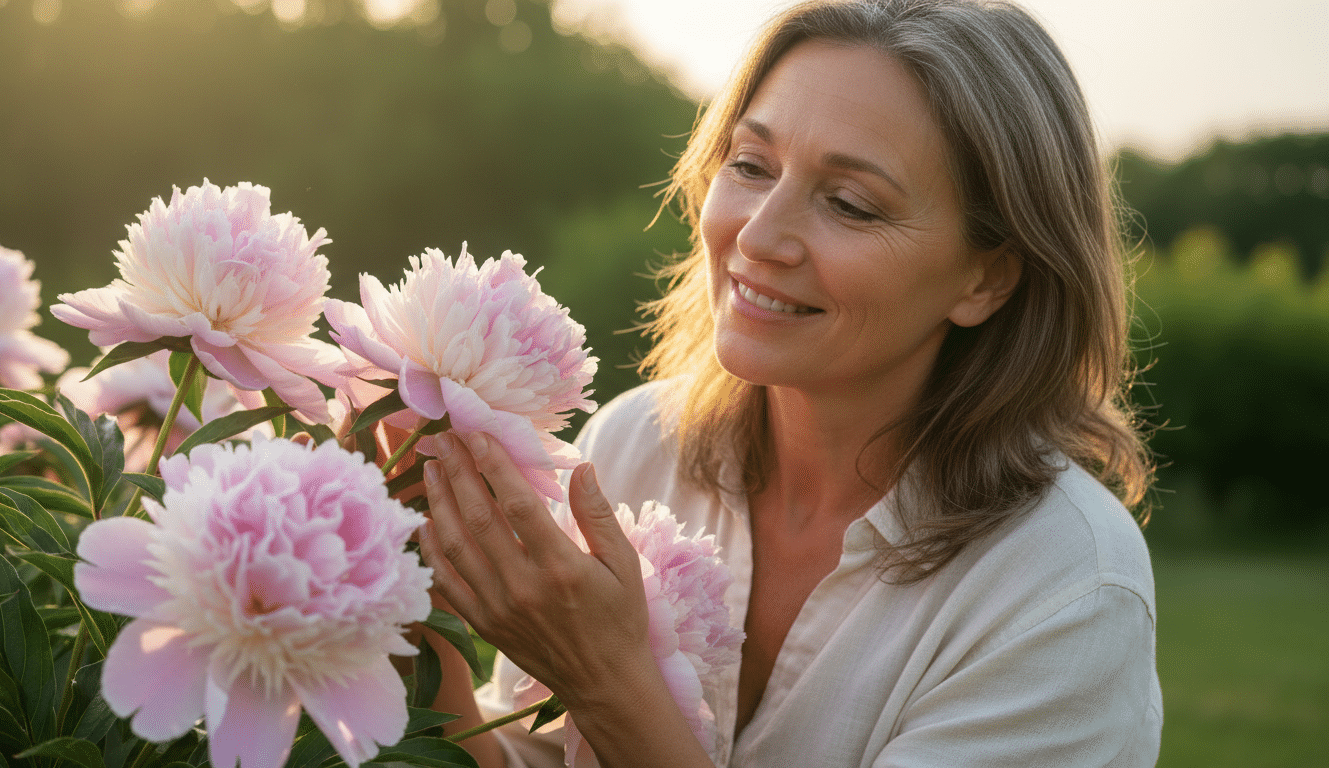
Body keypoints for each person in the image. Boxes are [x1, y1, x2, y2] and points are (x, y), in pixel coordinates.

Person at [413, 0, 1162, 766]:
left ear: (988, 278)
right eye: (749, 165)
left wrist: (609, 683)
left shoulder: (1066, 590)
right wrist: (405, 599)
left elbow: (601, 708)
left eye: (850, 204)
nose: (759, 236)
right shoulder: (635, 445)